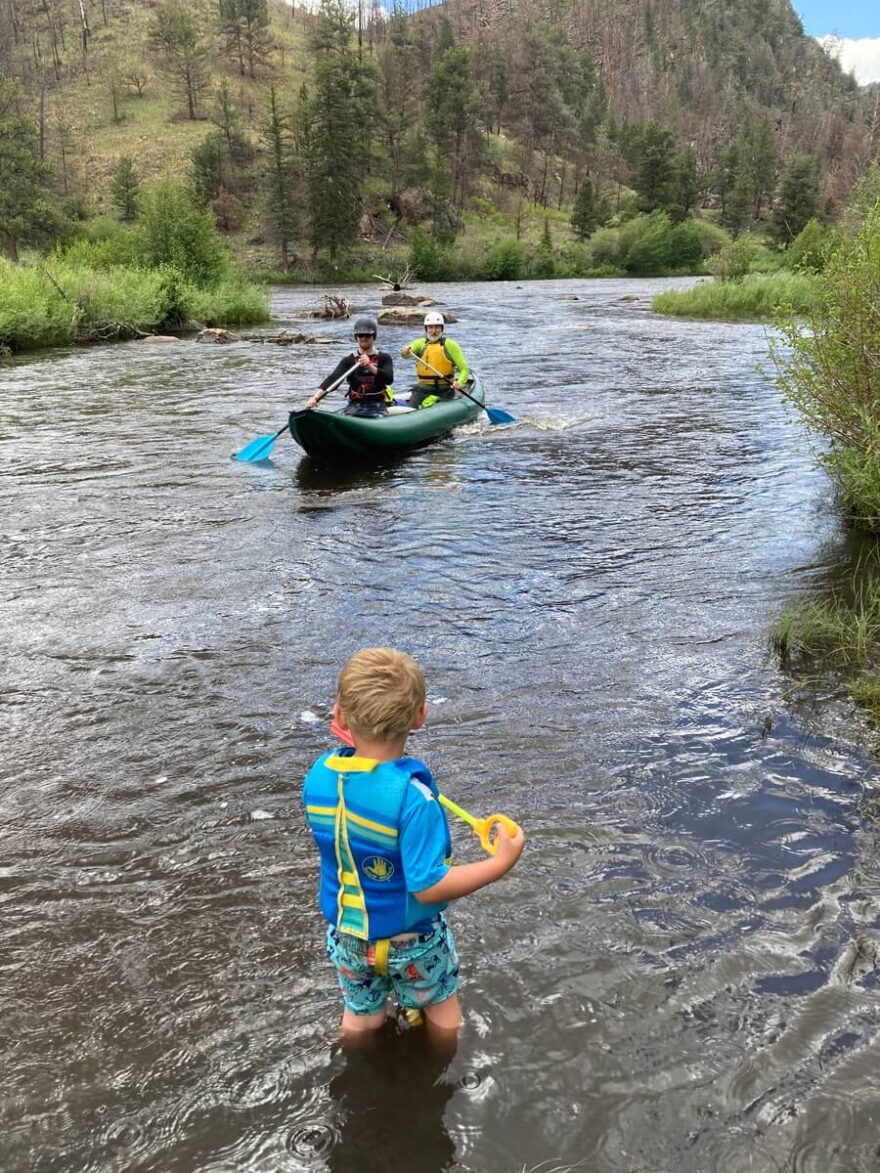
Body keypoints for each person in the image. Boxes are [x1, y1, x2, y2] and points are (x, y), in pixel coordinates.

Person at [302, 647, 525, 1041]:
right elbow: (427, 887)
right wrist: (500, 864)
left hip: (349, 937)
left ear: (339, 717)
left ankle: (361, 1079)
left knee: (360, 1018)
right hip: (413, 945)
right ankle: (435, 1080)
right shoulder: (414, 799)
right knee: (442, 1012)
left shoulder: (318, 778)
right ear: (420, 715)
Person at [307, 317, 394, 418]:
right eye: (360, 335)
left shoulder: (384, 358)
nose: (363, 338)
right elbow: (333, 379)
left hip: (377, 405)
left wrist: (369, 366)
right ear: (356, 337)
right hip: (355, 405)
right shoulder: (349, 360)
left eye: (367, 335)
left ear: (373, 336)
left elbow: (389, 379)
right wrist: (315, 397)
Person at [399, 312, 470, 410]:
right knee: (411, 408)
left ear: (442, 329)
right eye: (430, 327)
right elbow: (407, 353)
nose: (433, 331)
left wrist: (460, 382)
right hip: (423, 389)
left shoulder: (451, 345)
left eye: (437, 327)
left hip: (445, 390)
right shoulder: (420, 343)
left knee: (435, 403)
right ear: (426, 329)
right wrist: (405, 352)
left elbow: (464, 369)